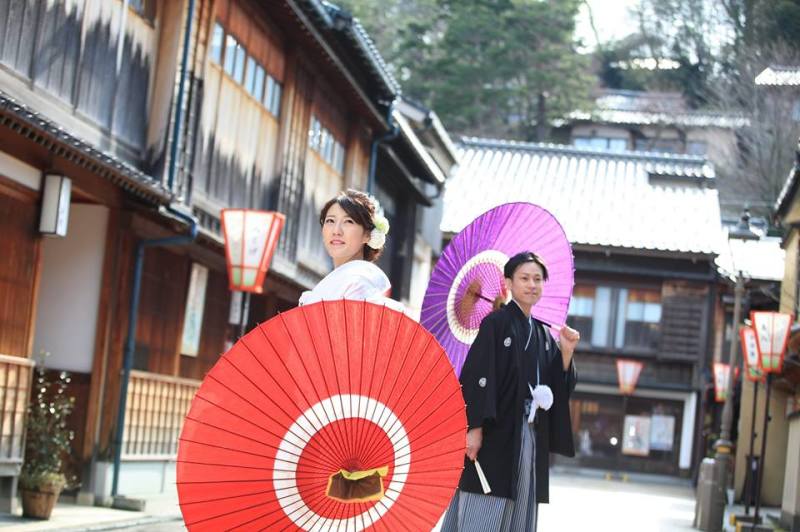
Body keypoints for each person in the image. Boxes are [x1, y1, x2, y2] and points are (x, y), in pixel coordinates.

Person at [442, 251, 579, 531]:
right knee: (486, 496)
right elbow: (478, 376)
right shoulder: (496, 323)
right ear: (508, 283)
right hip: (495, 432)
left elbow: (558, 386)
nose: (532, 285)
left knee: (521, 503)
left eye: (538, 279)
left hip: (529, 433)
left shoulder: (543, 334)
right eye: (524, 278)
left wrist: (565, 352)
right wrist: (474, 428)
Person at [298, 189, 397, 307]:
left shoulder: (360, 282)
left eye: (348, 221)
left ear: (367, 235)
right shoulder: (336, 281)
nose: (336, 231)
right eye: (330, 221)